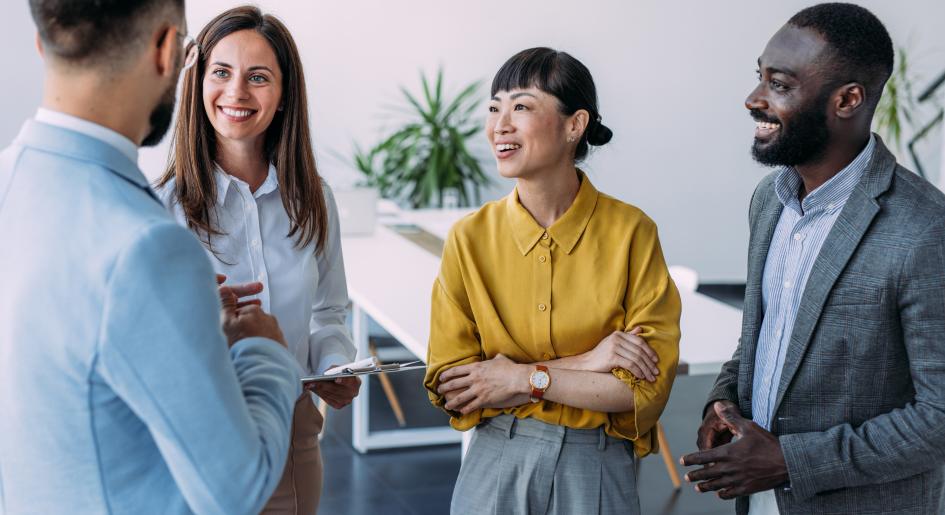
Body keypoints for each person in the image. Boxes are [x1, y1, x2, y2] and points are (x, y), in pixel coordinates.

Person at [0, 0, 303, 513]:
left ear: (42, 45)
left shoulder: (9, 179)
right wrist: (266, 350)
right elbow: (238, 489)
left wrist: (182, 320)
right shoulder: (148, 244)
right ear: (168, 51)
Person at [680, 4, 945, 514]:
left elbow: (938, 415)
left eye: (779, 84)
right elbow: (764, 330)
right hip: (762, 504)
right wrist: (724, 399)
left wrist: (790, 460)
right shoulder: (769, 199)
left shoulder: (925, 228)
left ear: (847, 99)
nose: (753, 99)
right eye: (759, 77)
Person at [424, 47, 681, 515]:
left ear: (574, 125)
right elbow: (454, 386)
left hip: (597, 467)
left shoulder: (631, 233)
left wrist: (518, 377)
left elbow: (642, 389)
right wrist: (590, 361)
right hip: (496, 460)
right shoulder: (469, 239)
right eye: (495, 107)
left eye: (521, 106)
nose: (500, 124)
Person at [155, 6, 359, 513]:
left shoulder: (314, 198)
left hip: (292, 432)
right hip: (195, 438)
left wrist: (334, 363)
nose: (237, 93)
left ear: (285, 94)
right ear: (197, 82)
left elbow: (329, 311)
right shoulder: (164, 208)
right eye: (220, 72)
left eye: (258, 77)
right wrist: (205, 318)